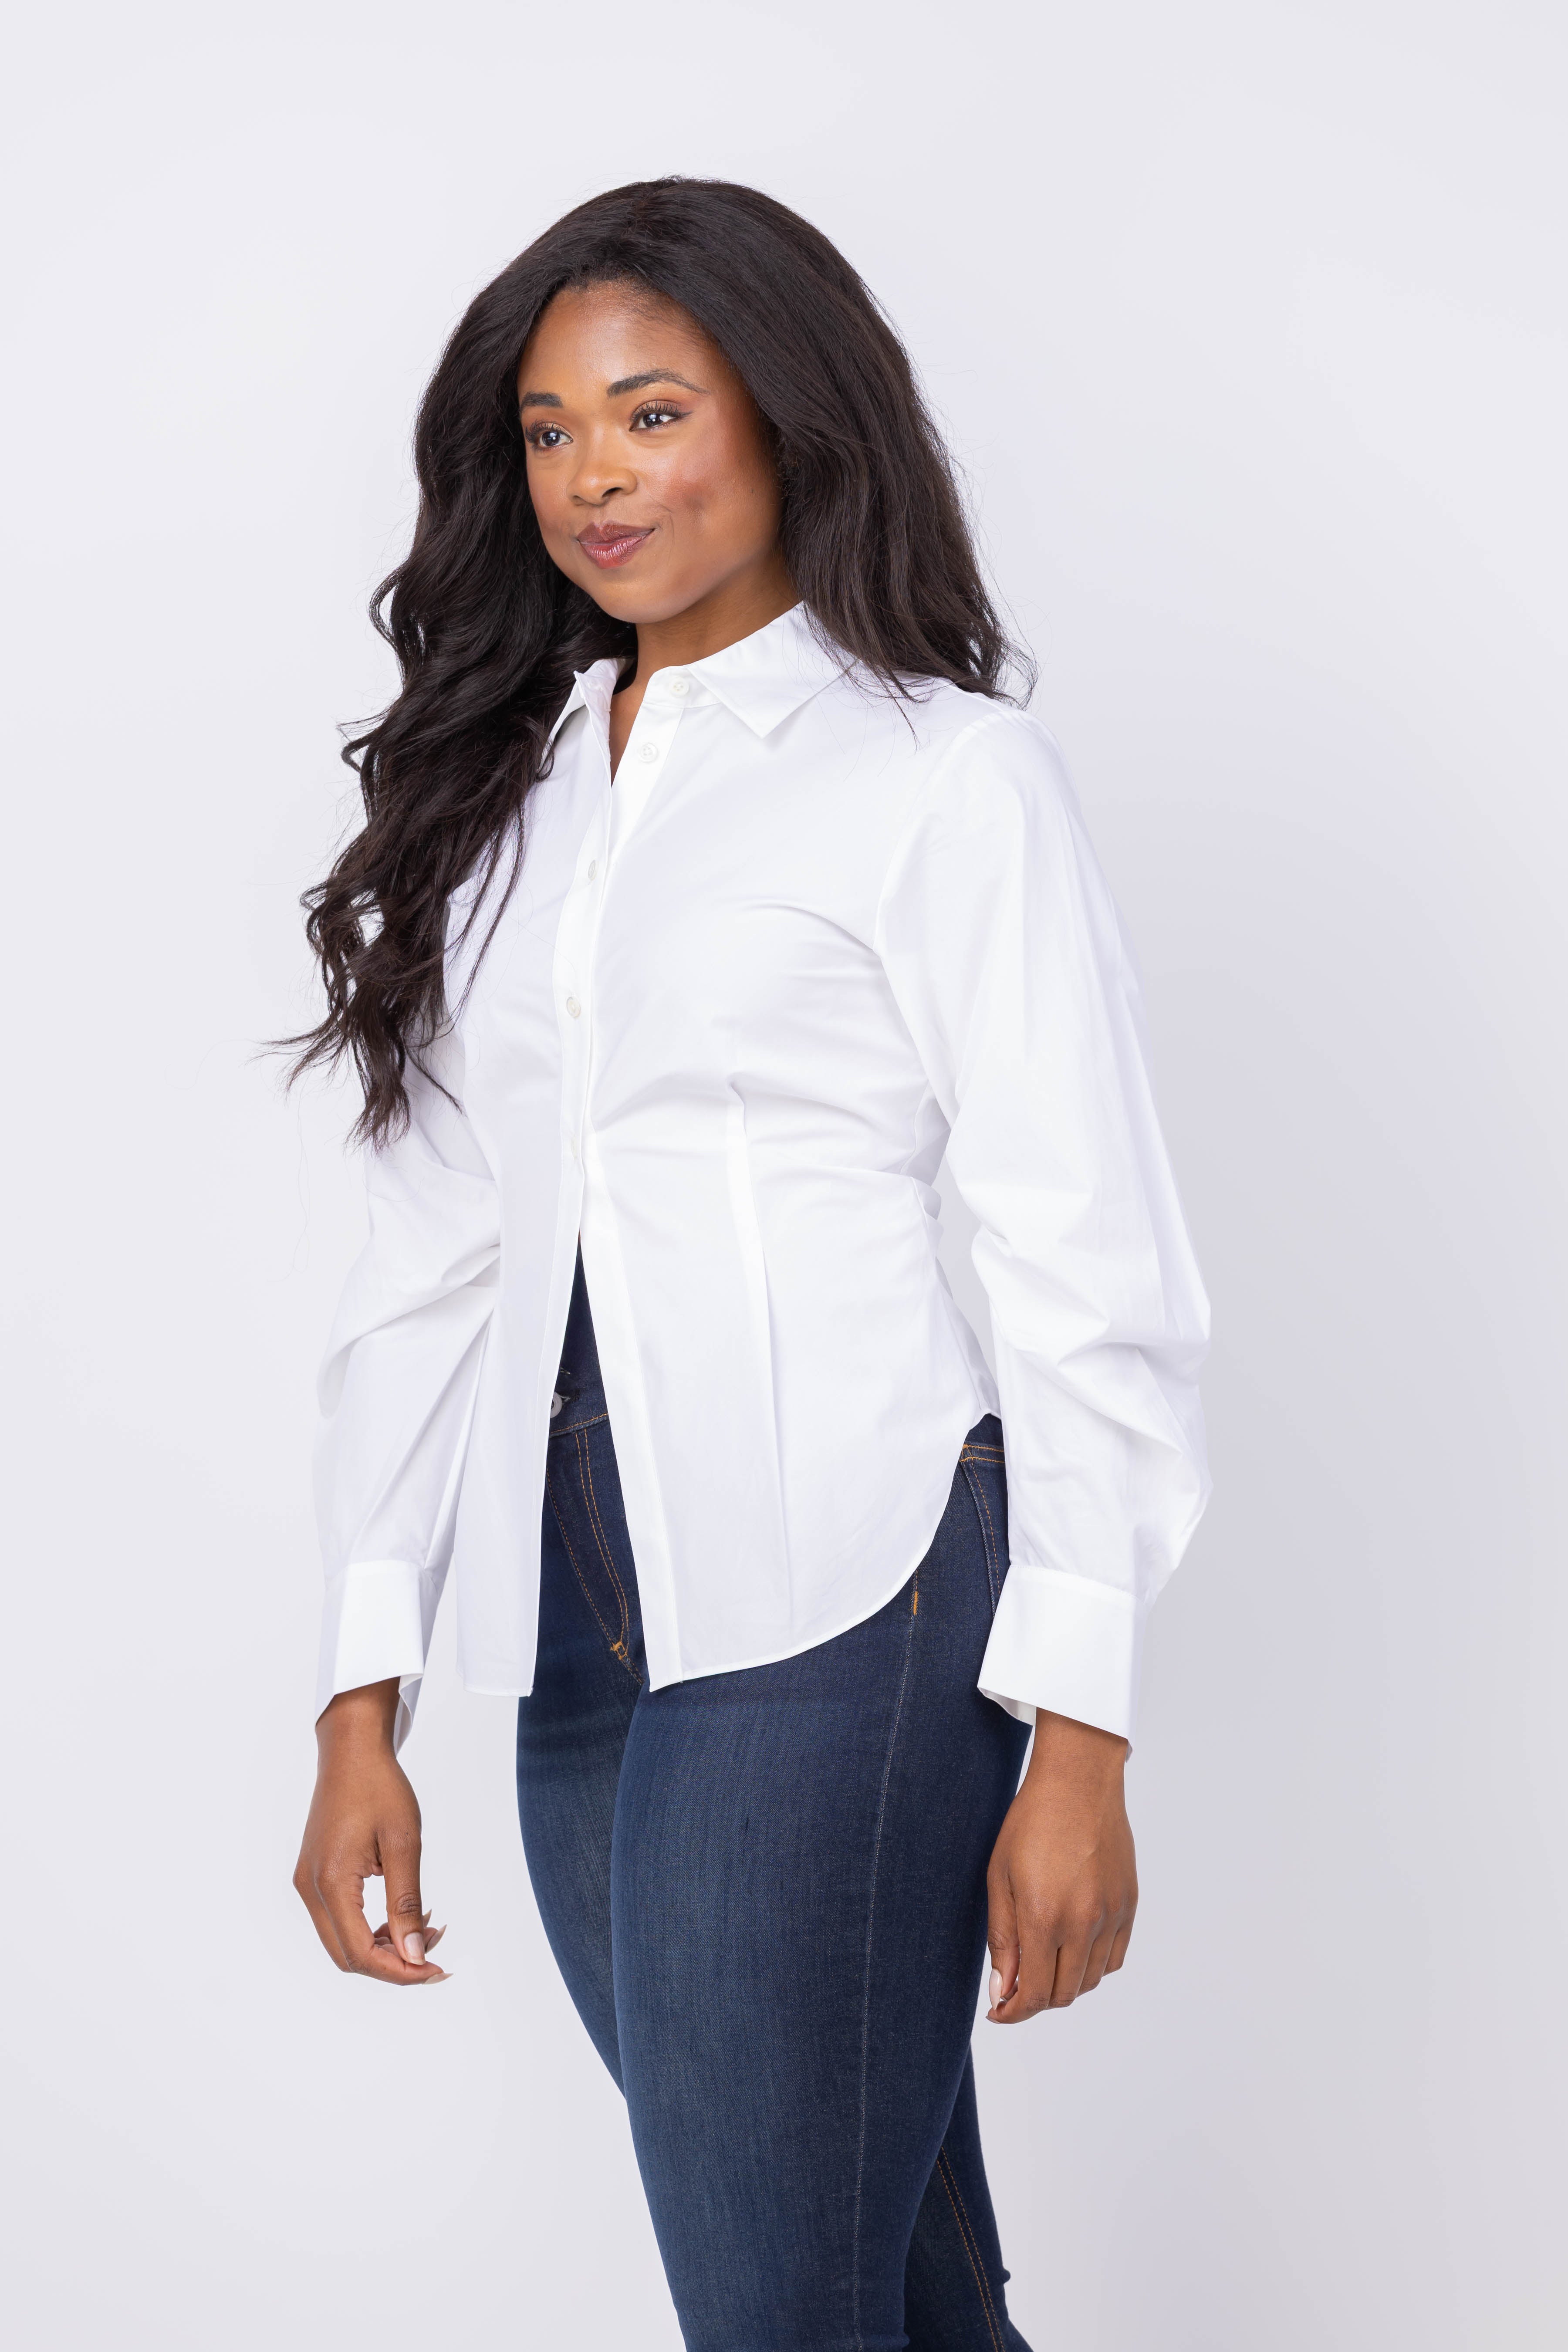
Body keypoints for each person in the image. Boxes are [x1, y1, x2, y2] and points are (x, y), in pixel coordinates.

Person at [290, 177, 1210, 2351]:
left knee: (775, 2305)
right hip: (573, 1629)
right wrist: (358, 1695)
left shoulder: (944, 776)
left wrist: (1081, 1732)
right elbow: (431, 1266)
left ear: (790, 420)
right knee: (882, 2288)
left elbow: (1085, 1256)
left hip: (849, 1596)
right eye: (548, 431)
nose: (591, 478)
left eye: (651, 414)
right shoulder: (506, 807)